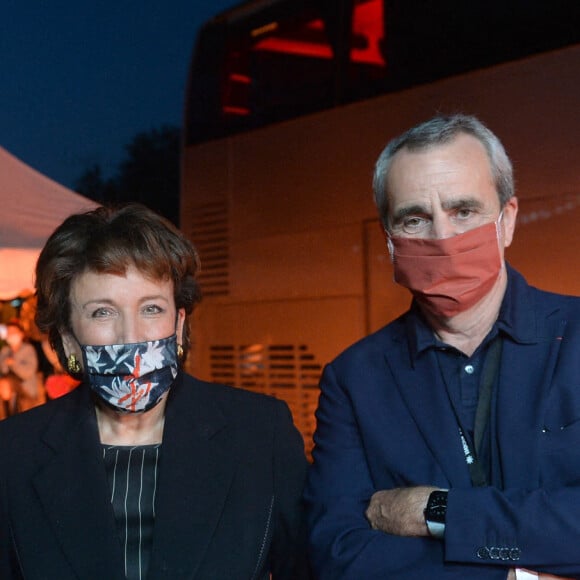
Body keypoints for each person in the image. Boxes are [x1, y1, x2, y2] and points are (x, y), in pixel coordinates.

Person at [304, 114, 580, 579]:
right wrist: (516, 575)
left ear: (507, 220)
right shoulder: (354, 379)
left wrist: (437, 511)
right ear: (389, 241)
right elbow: (340, 554)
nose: (443, 239)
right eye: (415, 219)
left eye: (464, 212)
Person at [0, 203, 309, 579]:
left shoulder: (260, 434)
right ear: (67, 340)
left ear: (178, 326)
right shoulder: (13, 453)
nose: (132, 338)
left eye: (150, 309)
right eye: (102, 312)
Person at [0, 318, 43, 415]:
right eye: (9, 332)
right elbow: (2, 369)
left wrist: (13, 364)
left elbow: (28, 372)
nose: (11, 335)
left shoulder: (28, 349)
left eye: (13, 332)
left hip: (26, 392)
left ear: (21, 334)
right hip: (8, 392)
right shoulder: (5, 351)